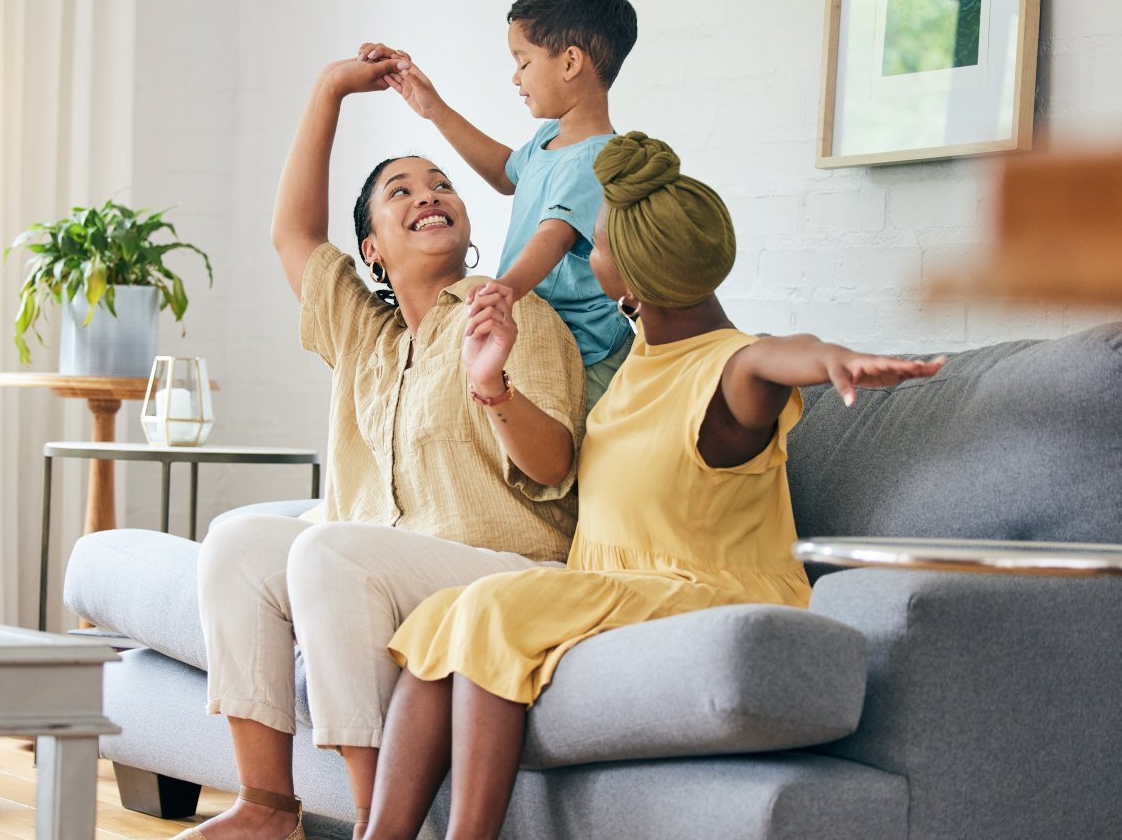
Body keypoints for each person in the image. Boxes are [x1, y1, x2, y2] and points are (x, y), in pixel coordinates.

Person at [363, 132, 947, 840]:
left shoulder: (727, 371)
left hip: (704, 588)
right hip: (614, 585)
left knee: (489, 608)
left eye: (598, 246)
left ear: (633, 281)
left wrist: (833, 358)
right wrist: (493, 385)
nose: (588, 255)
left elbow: (774, 357)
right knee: (438, 620)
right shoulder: (642, 359)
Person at [172, 54, 588, 840]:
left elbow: (555, 468)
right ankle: (266, 808)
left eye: (441, 184)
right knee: (234, 541)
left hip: (503, 569)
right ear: (372, 250)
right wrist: (328, 88)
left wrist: (494, 386)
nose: (430, 194)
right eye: (402, 192)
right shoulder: (362, 331)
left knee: (329, 552)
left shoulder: (511, 313)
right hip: (381, 561)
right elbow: (292, 232)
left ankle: (378, 824)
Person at [363, 0, 639, 410]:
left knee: (581, 459)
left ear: (569, 63)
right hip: (546, 335)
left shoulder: (598, 158)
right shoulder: (552, 139)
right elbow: (506, 174)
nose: (515, 77)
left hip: (590, 356)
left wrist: (505, 288)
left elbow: (554, 235)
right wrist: (434, 109)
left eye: (524, 62)